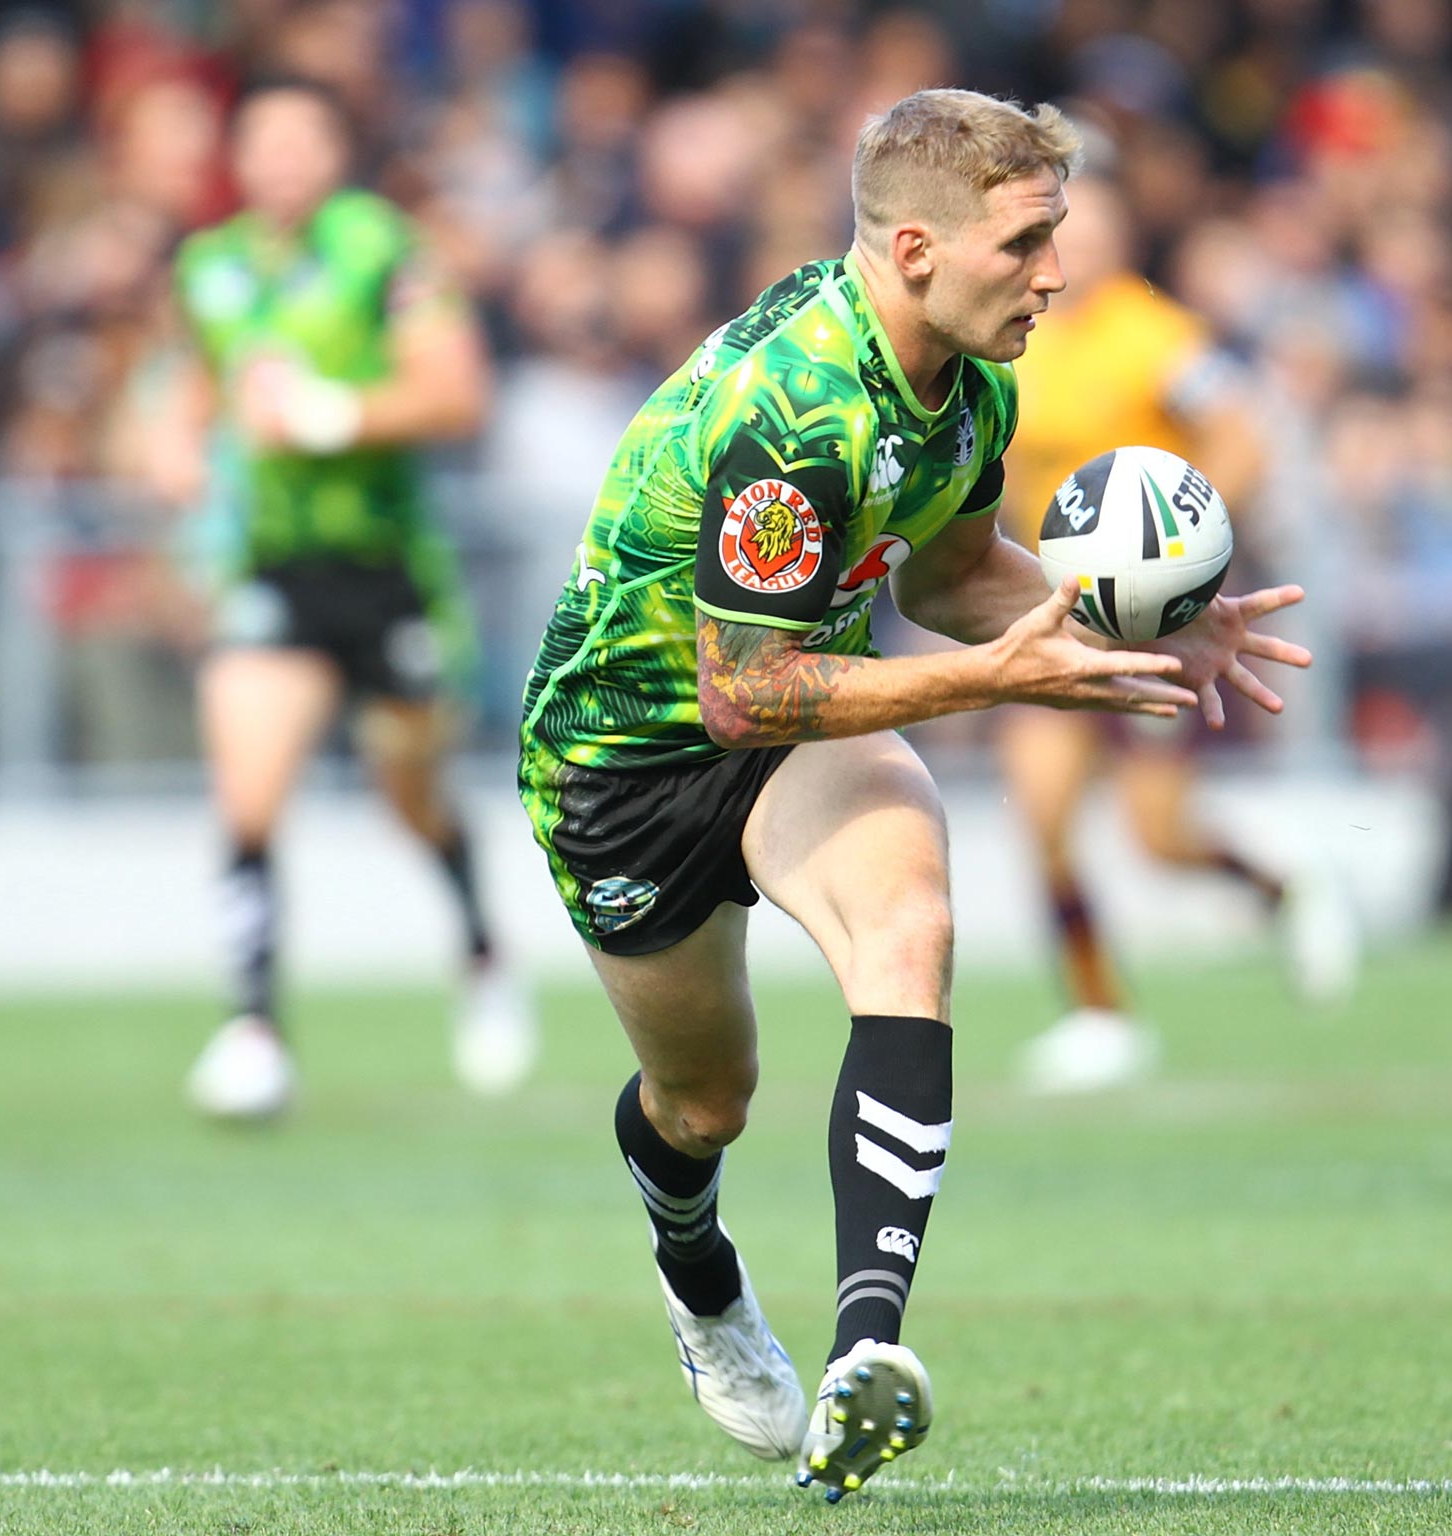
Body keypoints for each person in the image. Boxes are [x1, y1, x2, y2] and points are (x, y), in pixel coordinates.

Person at [516, 89, 1309, 1499]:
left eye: (1056, 235)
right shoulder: (796, 407)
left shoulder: (978, 374)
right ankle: (702, 1292)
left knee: (911, 932)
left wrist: (1129, 623)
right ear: (921, 251)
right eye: (1027, 243)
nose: (1055, 273)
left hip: (785, 709)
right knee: (705, 1103)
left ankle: (859, 1356)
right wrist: (995, 680)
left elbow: (949, 576)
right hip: (622, 757)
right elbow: (738, 691)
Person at [152, 76, 534, 1119]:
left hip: (385, 568)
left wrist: (331, 414)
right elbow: (195, 384)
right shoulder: (210, 264)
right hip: (274, 567)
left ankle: (483, 954)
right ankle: (253, 1029)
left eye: (298, 137)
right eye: (259, 138)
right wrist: (173, 447)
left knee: (408, 793)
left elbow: (457, 393)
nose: (277, 156)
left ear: (335, 150)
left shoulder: (386, 253)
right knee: (246, 793)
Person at [996, 177, 1358, 1093]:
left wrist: (1175, 542)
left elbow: (1243, 436)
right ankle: (1099, 1013)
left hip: (1151, 613)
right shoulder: (1011, 346)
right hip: (1054, 608)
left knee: (1156, 836)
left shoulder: (1153, 335)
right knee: (1039, 811)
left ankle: (1283, 889)